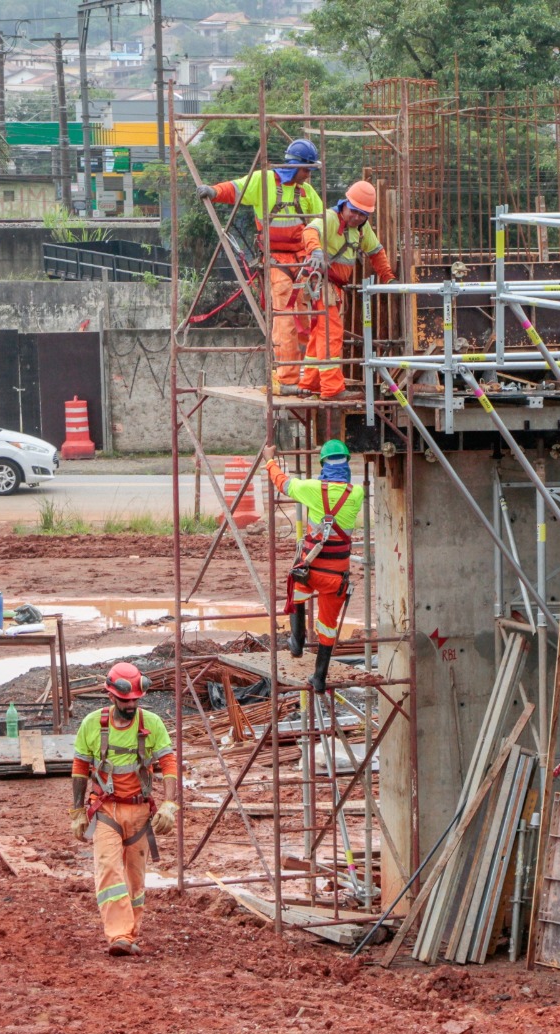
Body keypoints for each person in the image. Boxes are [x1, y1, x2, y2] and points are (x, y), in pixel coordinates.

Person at [195, 139, 323, 393]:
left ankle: (308, 376)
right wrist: (214, 191)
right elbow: (235, 188)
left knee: (307, 319)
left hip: (303, 261)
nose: (309, 175)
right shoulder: (262, 181)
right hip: (277, 261)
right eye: (306, 170)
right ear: (295, 166)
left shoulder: (307, 193)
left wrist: (319, 252)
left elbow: (321, 224)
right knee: (285, 318)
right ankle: (287, 379)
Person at [69, 661, 179, 957]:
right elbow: (80, 767)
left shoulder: (152, 724)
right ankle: (118, 934)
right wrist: (77, 811)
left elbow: (169, 764)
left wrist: (170, 804)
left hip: (140, 812)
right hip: (106, 811)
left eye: (135, 701)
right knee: (109, 870)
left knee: (134, 879)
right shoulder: (92, 724)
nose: (130, 705)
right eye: (125, 700)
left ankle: (129, 934)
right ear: (111, 696)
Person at [264, 438, 365, 692]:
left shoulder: (311, 488)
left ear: (323, 464)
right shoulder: (357, 493)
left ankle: (297, 641)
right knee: (328, 627)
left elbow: (283, 484)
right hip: (337, 578)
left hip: (309, 571)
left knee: (296, 591)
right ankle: (319, 678)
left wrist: (269, 460)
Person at [297, 180, 397, 400]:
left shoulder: (361, 228)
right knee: (330, 335)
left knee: (319, 336)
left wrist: (388, 277)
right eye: (354, 212)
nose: (357, 217)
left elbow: (376, 251)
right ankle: (332, 389)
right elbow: (310, 231)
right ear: (345, 204)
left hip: (332, 288)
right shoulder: (330, 218)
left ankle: (310, 383)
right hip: (323, 285)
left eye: (363, 214)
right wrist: (315, 251)